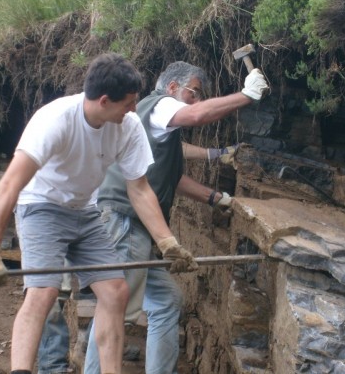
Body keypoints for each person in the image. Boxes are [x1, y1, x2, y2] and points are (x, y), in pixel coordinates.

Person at [0, 52, 196, 374]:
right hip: (41, 207)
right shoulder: (55, 120)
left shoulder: (129, 126)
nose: (134, 108)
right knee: (44, 290)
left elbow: (139, 189)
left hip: (86, 211)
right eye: (129, 102)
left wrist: (167, 242)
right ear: (105, 101)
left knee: (116, 291)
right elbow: (9, 185)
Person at [84, 61, 268, 374]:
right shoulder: (158, 105)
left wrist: (216, 198)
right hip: (124, 222)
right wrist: (247, 95)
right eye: (192, 93)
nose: (195, 101)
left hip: (133, 228)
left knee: (167, 299)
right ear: (172, 88)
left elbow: (171, 179)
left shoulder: (155, 129)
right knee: (114, 311)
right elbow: (197, 115)